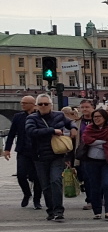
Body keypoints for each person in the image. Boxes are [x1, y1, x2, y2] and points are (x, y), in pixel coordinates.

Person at [24, 94, 72, 222]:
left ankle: (58, 211)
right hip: (39, 156)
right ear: (37, 106)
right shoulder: (32, 118)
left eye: (46, 104)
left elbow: (70, 122)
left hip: (57, 155)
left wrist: (74, 128)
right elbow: (31, 131)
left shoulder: (59, 115)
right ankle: (50, 210)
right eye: (40, 104)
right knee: (45, 185)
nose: (43, 106)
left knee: (55, 181)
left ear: (51, 105)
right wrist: (52, 130)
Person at [80, 109, 108, 220]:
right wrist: (102, 142)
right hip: (91, 162)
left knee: (107, 184)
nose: (96, 119)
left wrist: (95, 142)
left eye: (99, 116)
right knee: (95, 186)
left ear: (105, 118)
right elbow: (87, 140)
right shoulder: (89, 129)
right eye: (94, 117)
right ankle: (97, 211)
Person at [3, 95, 42, 209]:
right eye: (21, 103)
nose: (22, 105)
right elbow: (11, 133)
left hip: (37, 151)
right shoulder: (18, 117)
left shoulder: (39, 116)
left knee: (37, 177)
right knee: (21, 175)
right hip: (23, 151)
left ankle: (37, 200)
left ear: (32, 104)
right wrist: (7, 149)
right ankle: (27, 194)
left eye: (25, 103)